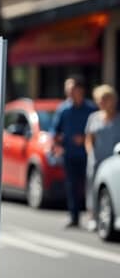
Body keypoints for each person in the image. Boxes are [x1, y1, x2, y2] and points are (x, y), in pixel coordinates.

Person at [52, 76, 97, 227]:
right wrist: (56, 143)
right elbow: (55, 130)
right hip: (69, 154)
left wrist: (85, 138)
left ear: (80, 90)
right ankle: (74, 216)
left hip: (88, 155)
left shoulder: (91, 109)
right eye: (67, 89)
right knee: (71, 186)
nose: (69, 92)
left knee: (89, 185)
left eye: (72, 89)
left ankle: (92, 216)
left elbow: (97, 130)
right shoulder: (63, 109)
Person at [85, 84, 120, 225]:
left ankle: (107, 217)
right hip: (96, 160)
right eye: (100, 99)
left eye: (105, 99)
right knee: (93, 188)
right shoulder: (93, 118)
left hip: (113, 161)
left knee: (110, 189)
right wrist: (90, 153)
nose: (102, 102)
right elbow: (89, 139)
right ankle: (92, 216)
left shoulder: (119, 119)